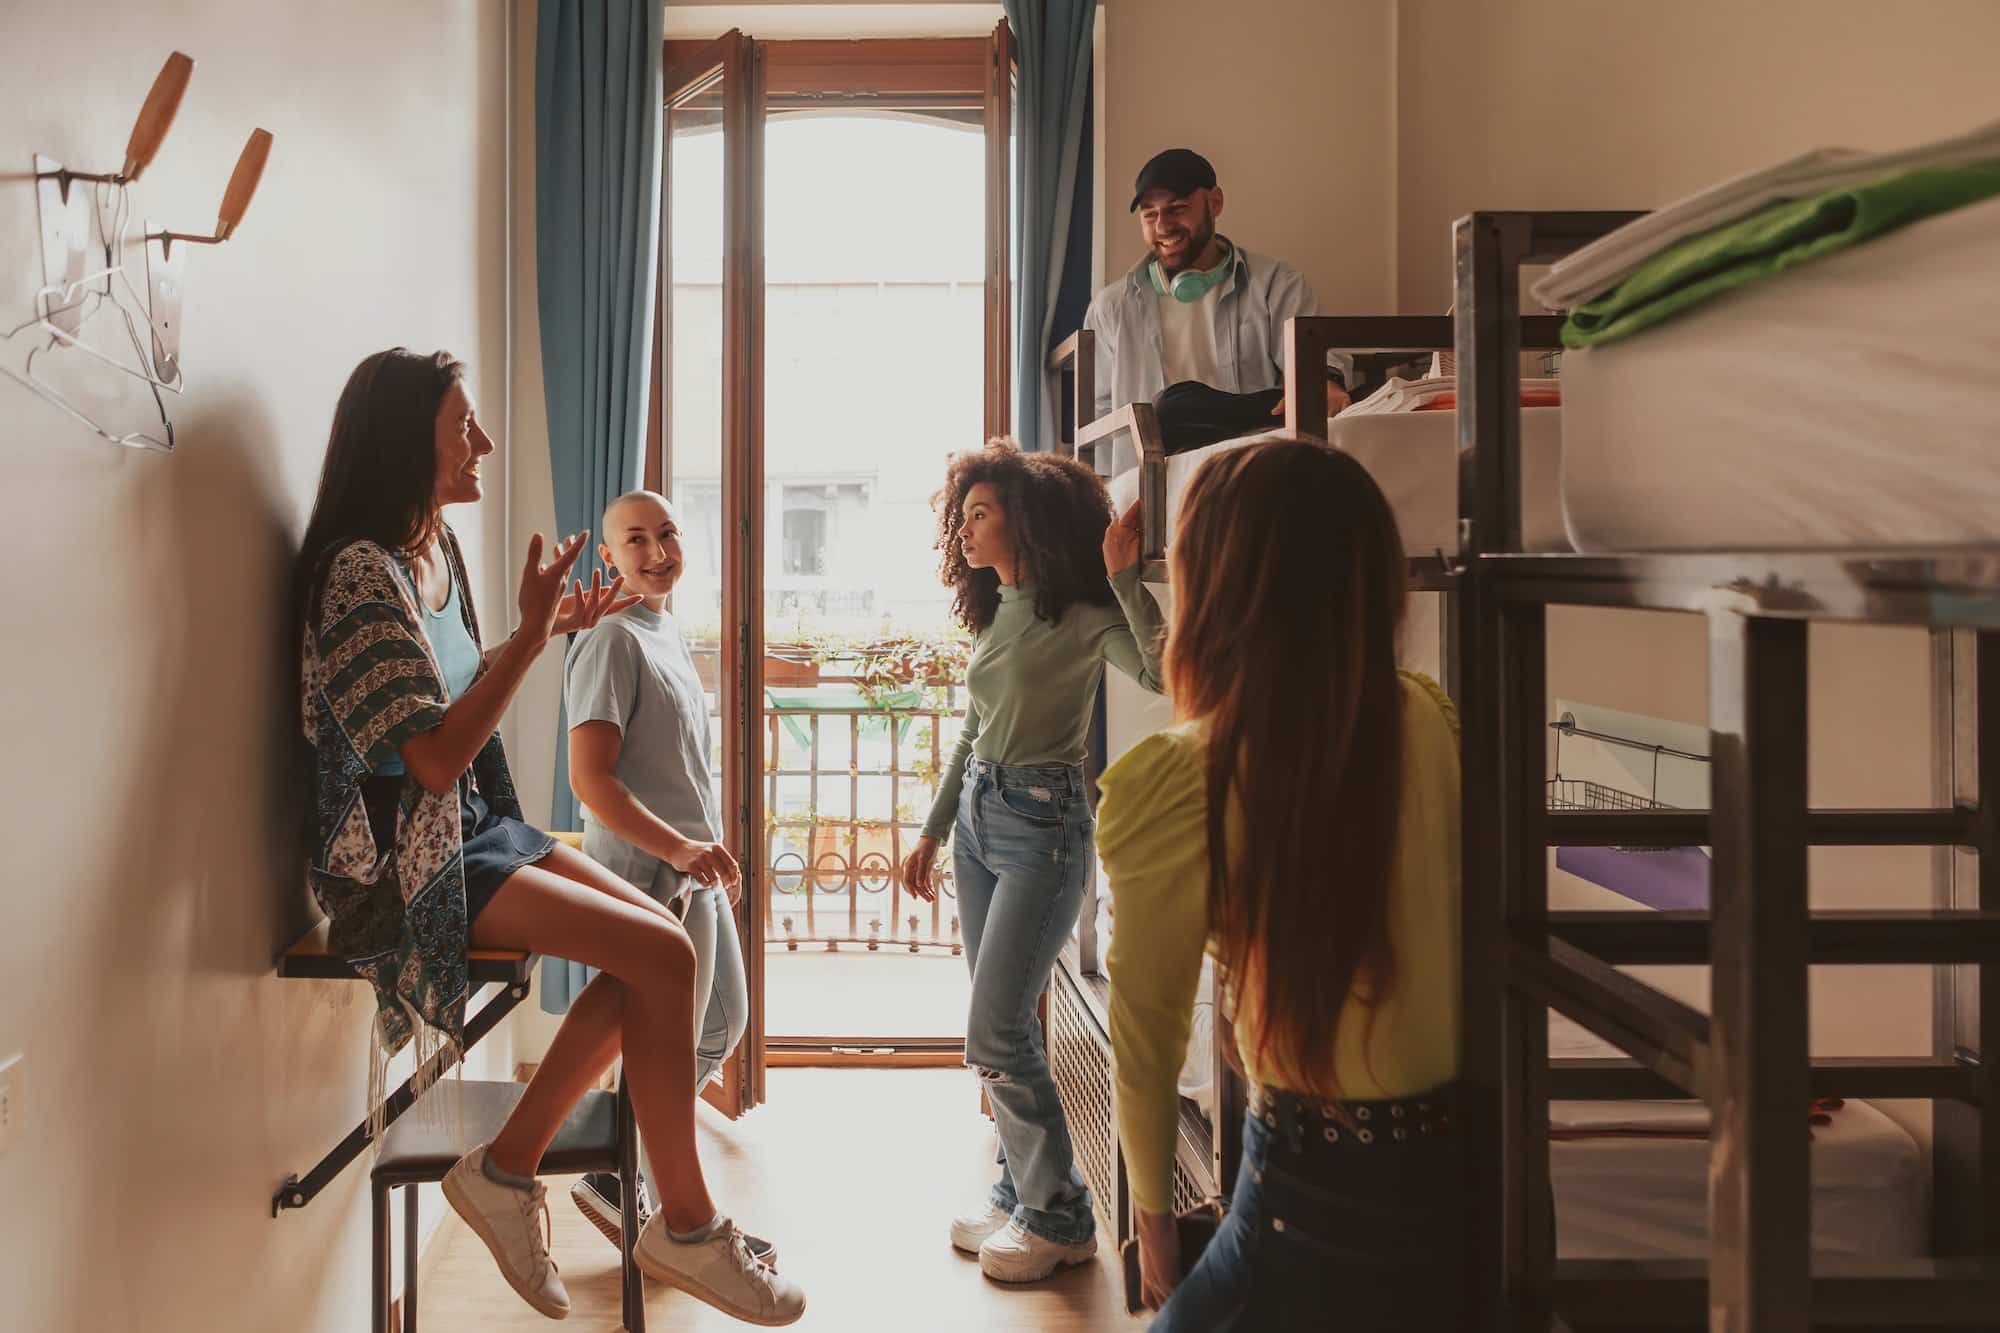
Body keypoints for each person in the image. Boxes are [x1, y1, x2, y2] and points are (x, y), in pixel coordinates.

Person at [297, 348, 804, 1325]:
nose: (481, 440)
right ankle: (681, 1225)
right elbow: (431, 759)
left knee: (662, 950)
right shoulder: (358, 570)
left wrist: (538, 629)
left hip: (469, 828)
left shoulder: (429, 551)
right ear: (412, 441)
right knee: (661, 949)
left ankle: (510, 1168)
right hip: (402, 858)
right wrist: (533, 639)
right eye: (464, 426)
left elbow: (438, 702)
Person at [1096, 436, 1464, 1330]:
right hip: (1467, 1183)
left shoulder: (1185, 776)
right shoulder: (1431, 717)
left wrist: (1153, 1227)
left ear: (1215, 593)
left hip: (1315, 1194)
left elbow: (1144, 1041)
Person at [899, 440, 1166, 1283]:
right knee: (1003, 1022)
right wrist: (933, 830)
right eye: (964, 514)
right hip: (981, 820)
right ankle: (1021, 1191)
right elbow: (977, 731)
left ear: (1026, 518)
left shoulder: (1083, 617)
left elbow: (1164, 670)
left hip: (1043, 829)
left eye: (981, 512)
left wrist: (1126, 577)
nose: (966, 527)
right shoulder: (1001, 608)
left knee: (995, 1026)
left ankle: (1061, 1216)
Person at [560, 489, 766, 1268]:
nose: (657, 551)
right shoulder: (611, 639)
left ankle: (625, 1176)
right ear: (608, 557)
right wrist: (682, 850)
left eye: (669, 533)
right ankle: (645, 1195)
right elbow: (591, 779)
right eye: (636, 540)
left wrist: (706, 850)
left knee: (720, 1026)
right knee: (677, 1039)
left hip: (692, 870)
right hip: (649, 877)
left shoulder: (663, 626)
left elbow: (675, 765)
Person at [1082, 148, 1353, 450]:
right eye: (1150, 214)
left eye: (1177, 209)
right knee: (1172, 409)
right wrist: (1115, 491)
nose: (1162, 226)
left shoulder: (1274, 284)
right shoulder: (1111, 308)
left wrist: (1323, 382)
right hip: (1151, 476)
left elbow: (1317, 358)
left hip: (1251, 468)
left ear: (1215, 203)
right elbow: (1098, 418)